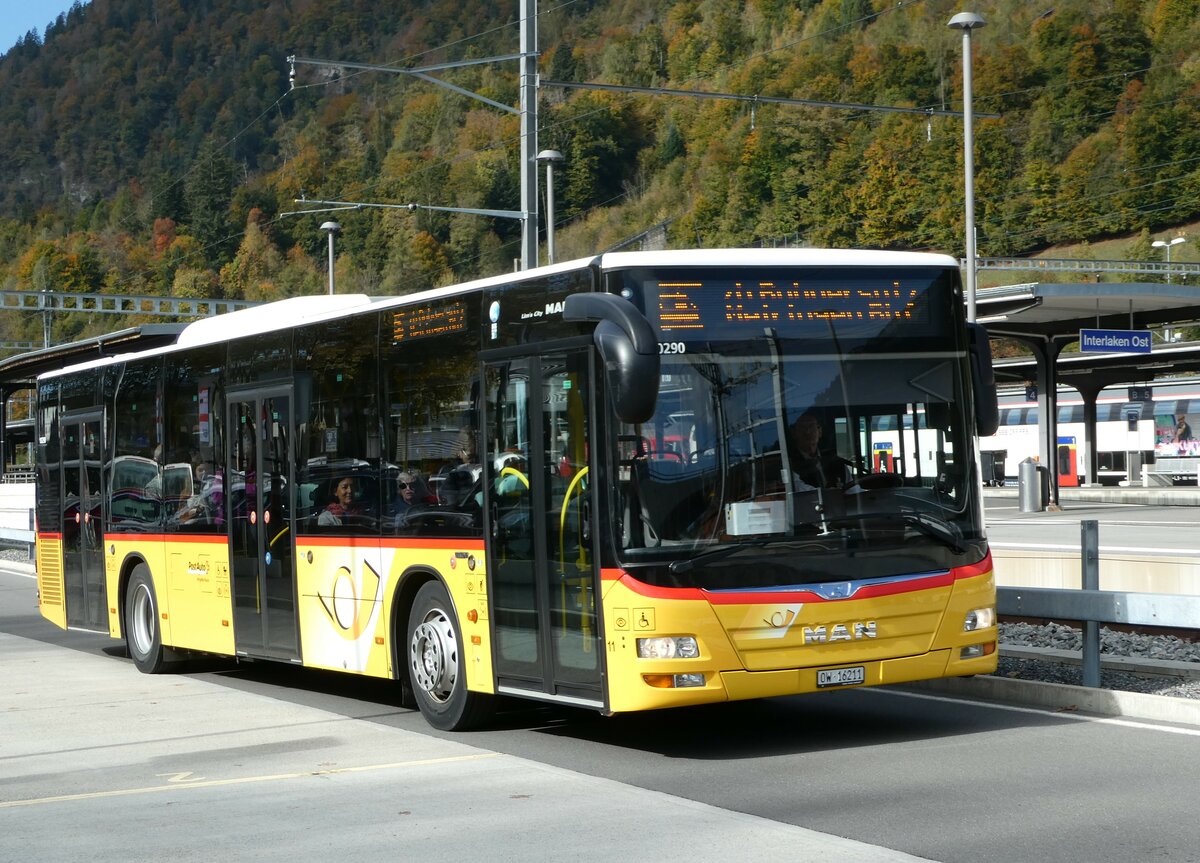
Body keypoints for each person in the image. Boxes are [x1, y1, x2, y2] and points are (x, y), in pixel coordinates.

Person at [788, 412, 851, 490]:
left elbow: (853, 489)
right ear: (794, 434)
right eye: (802, 428)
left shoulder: (836, 462)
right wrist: (829, 494)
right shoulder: (789, 464)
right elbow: (799, 489)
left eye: (811, 427)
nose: (807, 432)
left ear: (820, 432)